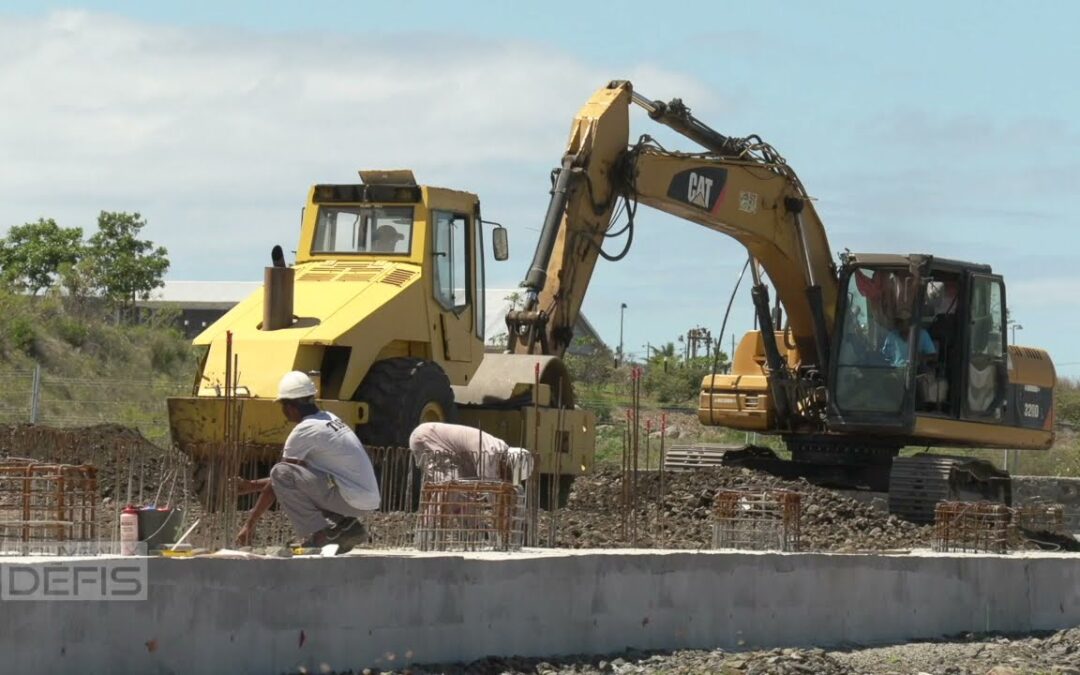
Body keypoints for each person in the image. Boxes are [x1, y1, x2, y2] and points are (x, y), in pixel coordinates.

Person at [234, 371, 380, 553]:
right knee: (292, 477)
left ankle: (321, 535)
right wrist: (251, 486)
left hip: (350, 499)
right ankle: (346, 526)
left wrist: (249, 524)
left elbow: (280, 479)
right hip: (363, 498)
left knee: (281, 471)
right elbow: (299, 480)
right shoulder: (329, 418)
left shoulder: (303, 431)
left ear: (290, 407)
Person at [409, 422, 533, 485]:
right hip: (427, 439)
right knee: (450, 488)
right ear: (507, 463)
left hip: (442, 445)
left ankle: (472, 528)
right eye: (509, 474)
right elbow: (491, 491)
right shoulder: (489, 454)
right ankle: (430, 529)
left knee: (463, 490)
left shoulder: (500, 449)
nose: (506, 479)